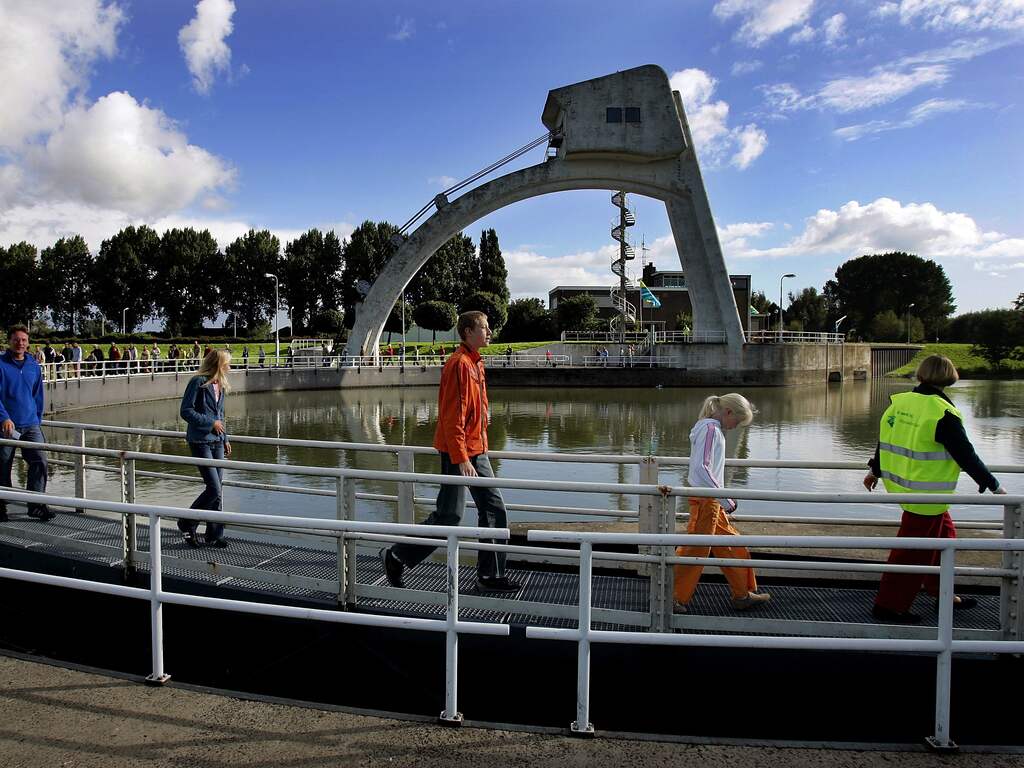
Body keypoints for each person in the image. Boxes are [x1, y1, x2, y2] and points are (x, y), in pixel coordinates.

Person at [381, 311, 520, 593]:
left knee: (492, 509)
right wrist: (462, 457)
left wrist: (477, 449)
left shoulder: (475, 363)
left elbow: (474, 412)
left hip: (475, 449)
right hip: (461, 452)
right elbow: (451, 416)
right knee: (450, 515)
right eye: (485, 327)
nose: (490, 332)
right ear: (468, 332)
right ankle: (396, 556)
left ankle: (490, 575)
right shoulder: (459, 364)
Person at [864, 354, 1006, 624]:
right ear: (950, 377)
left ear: (920, 375)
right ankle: (888, 606)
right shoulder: (943, 412)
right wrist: (993, 484)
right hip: (927, 495)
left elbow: (886, 440)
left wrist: (875, 470)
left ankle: (942, 593)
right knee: (911, 553)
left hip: (909, 488)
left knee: (945, 541)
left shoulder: (900, 403)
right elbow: (966, 454)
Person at [673, 393, 769, 613]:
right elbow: (701, 468)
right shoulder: (710, 431)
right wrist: (725, 499)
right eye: (737, 421)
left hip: (710, 500)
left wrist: (721, 499)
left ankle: (742, 594)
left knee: (731, 545)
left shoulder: (708, 429)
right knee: (694, 551)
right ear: (728, 412)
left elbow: (702, 468)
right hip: (707, 500)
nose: (736, 427)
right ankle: (672, 597)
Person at [178, 349, 233, 548]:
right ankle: (187, 522)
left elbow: (220, 415)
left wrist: (225, 437)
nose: (229, 367)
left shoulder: (222, 385)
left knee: (218, 490)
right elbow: (186, 411)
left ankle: (214, 534)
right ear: (218, 364)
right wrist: (210, 423)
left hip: (217, 441)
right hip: (200, 441)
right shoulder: (198, 382)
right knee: (213, 488)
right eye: (227, 363)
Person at [0, 326, 55, 522]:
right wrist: (4, 417)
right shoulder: (1, 364)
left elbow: (37, 394)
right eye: (16, 339)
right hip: (6, 426)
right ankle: (1, 505)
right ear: (9, 341)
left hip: (30, 424)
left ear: (28, 342)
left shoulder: (33, 365)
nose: (20, 343)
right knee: (3, 466)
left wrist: (37, 417)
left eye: (23, 340)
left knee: (40, 460)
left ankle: (36, 504)